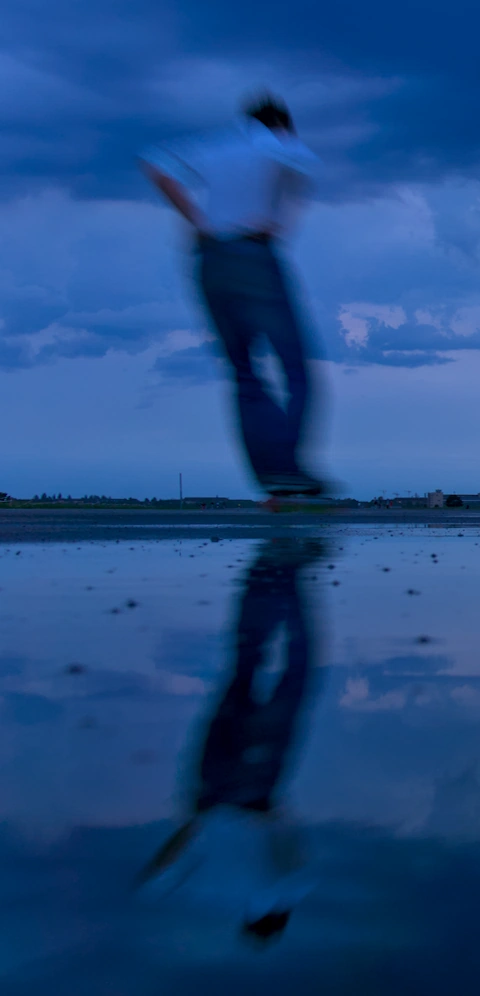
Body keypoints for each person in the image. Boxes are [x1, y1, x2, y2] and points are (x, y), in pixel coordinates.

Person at [137, 538, 325, 942]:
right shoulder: (217, 891)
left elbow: (286, 832)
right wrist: (192, 824)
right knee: (243, 670)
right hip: (208, 787)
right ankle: (265, 575)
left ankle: (287, 572)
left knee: (297, 674)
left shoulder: (288, 890)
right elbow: (160, 875)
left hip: (257, 787)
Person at [140, 93, 327, 498]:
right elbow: (299, 174)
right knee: (295, 368)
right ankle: (288, 467)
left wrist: (199, 220)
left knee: (243, 371)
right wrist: (279, 219)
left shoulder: (218, 145)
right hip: (254, 253)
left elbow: (156, 166)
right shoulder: (276, 143)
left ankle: (271, 475)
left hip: (210, 257)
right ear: (281, 123)